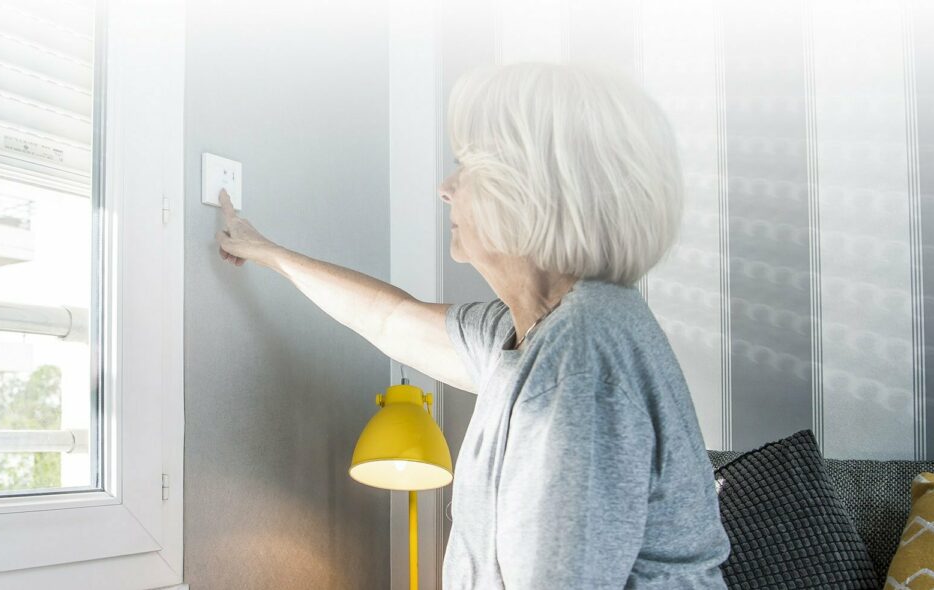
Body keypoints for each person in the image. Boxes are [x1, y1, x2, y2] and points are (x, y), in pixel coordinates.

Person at [215, 62, 730, 588]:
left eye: (466, 167)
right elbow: (390, 318)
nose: (445, 188)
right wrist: (266, 252)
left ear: (534, 189)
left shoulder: (582, 354)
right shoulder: (534, 331)